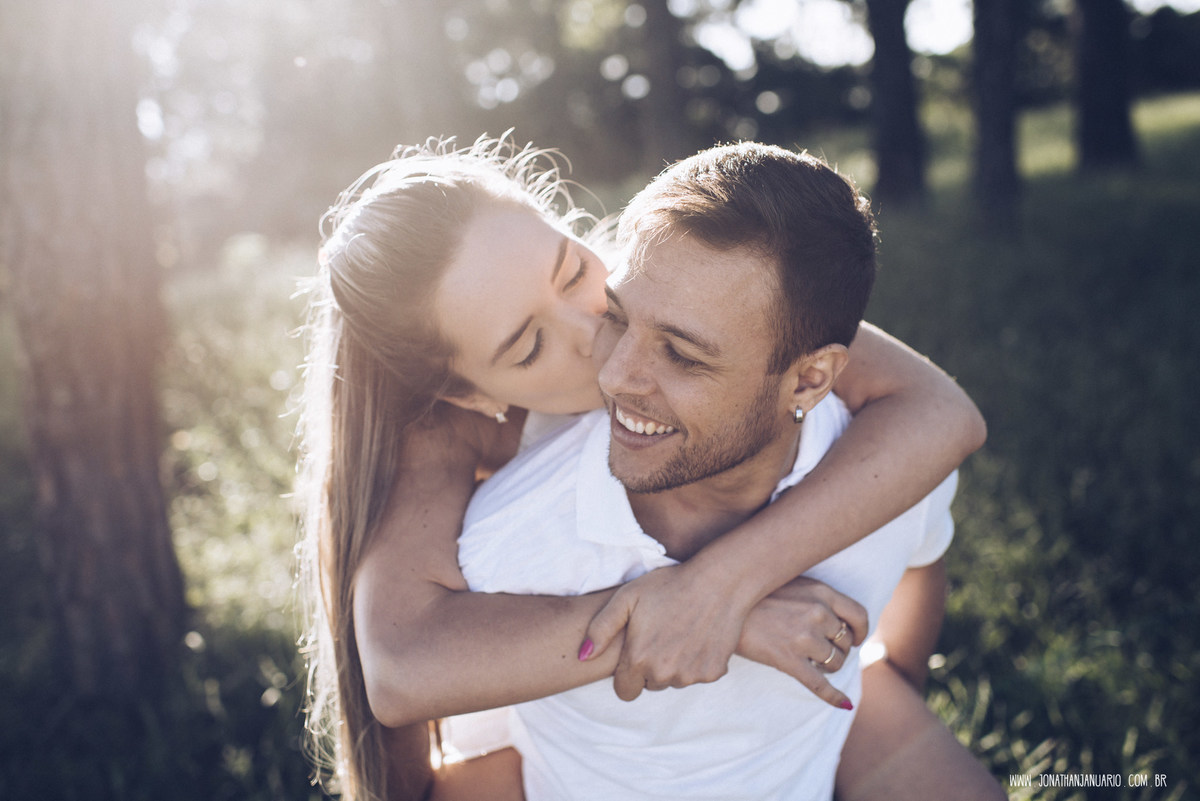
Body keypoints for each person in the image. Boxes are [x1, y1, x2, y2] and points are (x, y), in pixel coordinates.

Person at [297, 136, 992, 801]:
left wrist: (721, 585)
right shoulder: (451, 443)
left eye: (574, 271)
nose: (596, 336)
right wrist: (691, 616)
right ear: (473, 394)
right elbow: (402, 667)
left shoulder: (682, 288)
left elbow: (941, 413)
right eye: (531, 347)